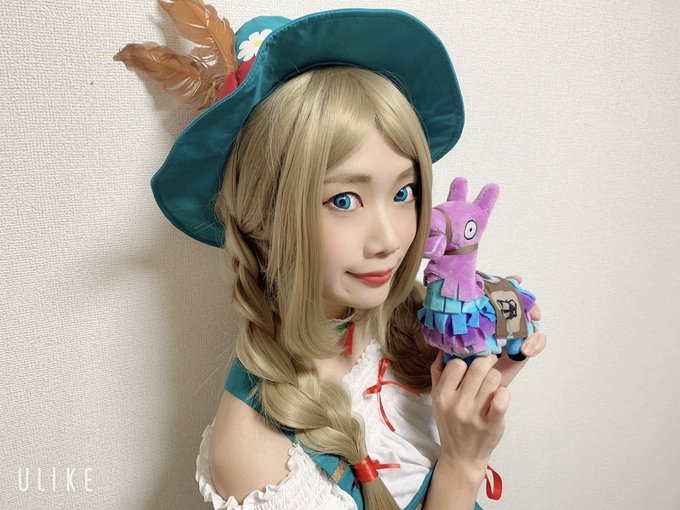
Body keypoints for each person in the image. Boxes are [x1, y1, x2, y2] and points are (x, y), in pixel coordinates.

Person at [114, 4, 546, 509]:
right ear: (262, 220)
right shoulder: (259, 458)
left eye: (403, 192)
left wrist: (475, 375)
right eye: (344, 200)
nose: (389, 239)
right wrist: (463, 463)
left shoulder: (405, 316)